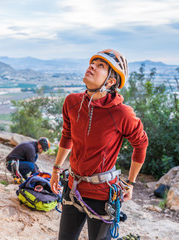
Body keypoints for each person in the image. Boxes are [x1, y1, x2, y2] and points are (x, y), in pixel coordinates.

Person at [50, 49, 148, 240]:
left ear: (111, 82)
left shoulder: (122, 113)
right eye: (92, 62)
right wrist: (56, 169)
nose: (92, 66)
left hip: (102, 194)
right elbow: (67, 136)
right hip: (73, 187)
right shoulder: (72, 102)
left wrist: (131, 183)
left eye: (101, 65)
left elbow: (141, 144)